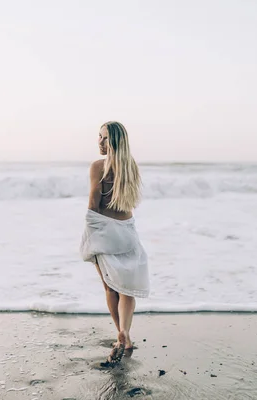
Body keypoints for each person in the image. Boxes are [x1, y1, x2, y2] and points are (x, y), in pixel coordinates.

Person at [79, 121, 150, 365]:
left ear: (115, 142)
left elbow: (93, 202)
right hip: (127, 232)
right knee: (127, 289)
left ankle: (119, 331)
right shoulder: (132, 167)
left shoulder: (98, 166)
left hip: (105, 231)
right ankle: (127, 335)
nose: (99, 142)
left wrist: (89, 233)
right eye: (99, 137)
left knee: (110, 287)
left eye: (105, 138)